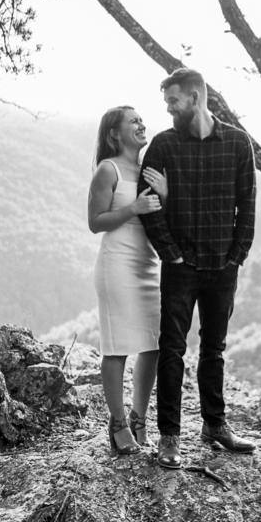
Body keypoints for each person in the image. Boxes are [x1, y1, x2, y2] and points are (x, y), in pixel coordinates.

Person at [138, 67, 257, 469]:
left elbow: (248, 205)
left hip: (223, 267)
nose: (168, 108)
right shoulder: (163, 146)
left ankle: (215, 426)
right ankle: (169, 436)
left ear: (195, 98)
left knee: (214, 349)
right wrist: (170, 254)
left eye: (173, 101)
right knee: (172, 349)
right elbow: (148, 207)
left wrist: (236, 255)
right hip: (181, 267)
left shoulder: (238, 143)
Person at [88, 106, 168, 455]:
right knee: (117, 345)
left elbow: (163, 215)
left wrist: (165, 195)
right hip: (116, 264)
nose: (141, 124)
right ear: (114, 134)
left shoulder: (149, 170)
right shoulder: (108, 170)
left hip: (147, 264)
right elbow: (95, 221)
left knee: (153, 344)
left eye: (141, 120)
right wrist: (133, 208)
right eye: (133, 121)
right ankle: (118, 422)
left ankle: (139, 417)